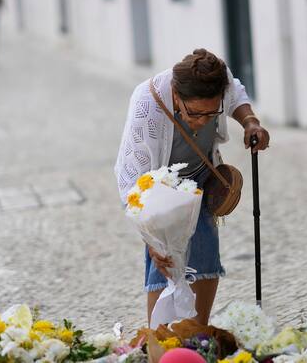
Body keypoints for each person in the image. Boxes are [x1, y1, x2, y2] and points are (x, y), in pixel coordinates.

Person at [115, 49, 270, 325]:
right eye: (196, 113)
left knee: (205, 253)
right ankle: (159, 338)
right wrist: (150, 238)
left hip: (199, 178)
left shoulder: (219, 86)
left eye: (212, 113)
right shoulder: (146, 104)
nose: (204, 120)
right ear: (176, 95)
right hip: (158, 189)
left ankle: (198, 332)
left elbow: (235, 92)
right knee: (165, 262)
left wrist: (250, 122)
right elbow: (131, 179)